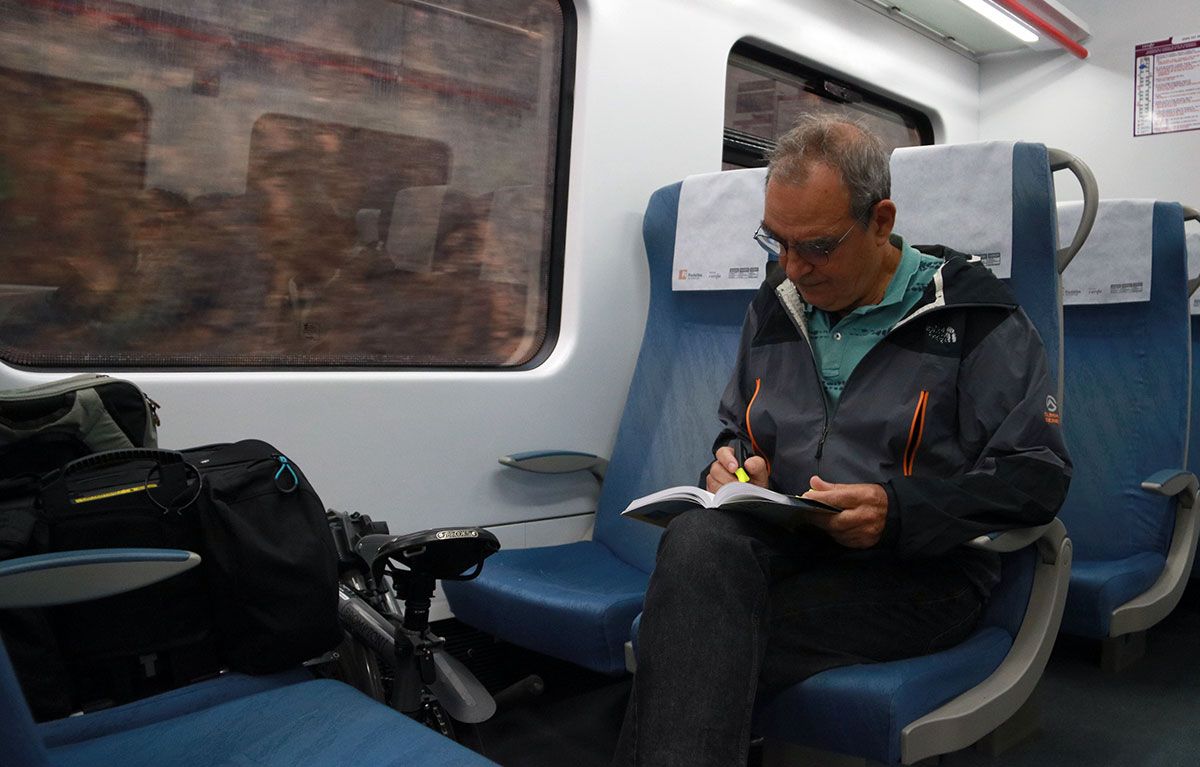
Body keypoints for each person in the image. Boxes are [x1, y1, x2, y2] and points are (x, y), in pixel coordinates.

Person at [612, 116, 1071, 766]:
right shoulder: (776, 304)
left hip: (922, 571)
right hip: (794, 545)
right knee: (696, 540)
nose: (793, 268)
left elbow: (1038, 475)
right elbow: (738, 432)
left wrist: (900, 511)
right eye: (778, 243)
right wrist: (738, 470)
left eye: (819, 247)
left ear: (881, 220)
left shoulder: (973, 315)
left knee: (696, 636)